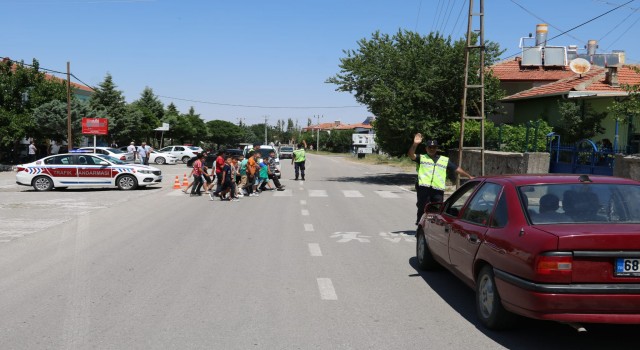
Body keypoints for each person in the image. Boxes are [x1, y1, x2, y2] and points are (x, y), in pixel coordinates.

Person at [408, 133, 474, 225]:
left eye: (434, 147)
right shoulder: (422, 158)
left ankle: (434, 227)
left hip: (438, 188)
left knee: (437, 209)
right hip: (423, 187)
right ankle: (420, 224)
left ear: (436, 149)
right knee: (422, 207)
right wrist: (415, 144)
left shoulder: (444, 160)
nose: (431, 149)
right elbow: (411, 155)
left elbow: (456, 168)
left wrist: (469, 176)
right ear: (426, 148)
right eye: (429, 147)